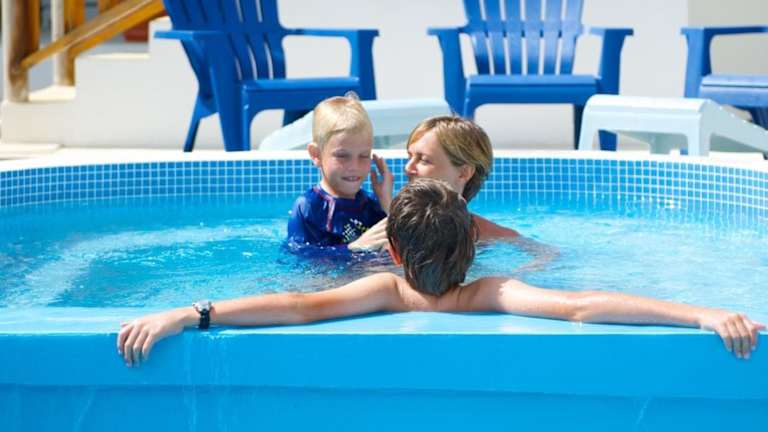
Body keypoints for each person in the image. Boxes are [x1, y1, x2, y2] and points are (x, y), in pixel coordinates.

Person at [118, 178, 763, 367]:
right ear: (474, 249)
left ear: (394, 252)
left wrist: (191, 312)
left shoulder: (385, 290)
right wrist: (701, 313)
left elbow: (297, 306)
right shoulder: (492, 292)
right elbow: (583, 304)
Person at [348, 116, 555, 271]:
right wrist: (357, 248)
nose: (408, 168)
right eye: (409, 156)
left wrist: (519, 274)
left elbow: (548, 254)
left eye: (423, 160)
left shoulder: (482, 232)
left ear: (464, 172)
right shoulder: (389, 226)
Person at [287, 94, 393, 248]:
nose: (354, 166)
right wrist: (353, 248)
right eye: (342, 156)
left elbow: (401, 246)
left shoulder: (372, 206)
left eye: (363, 156)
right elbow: (301, 256)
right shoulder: (309, 208)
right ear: (316, 155)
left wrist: (387, 203)